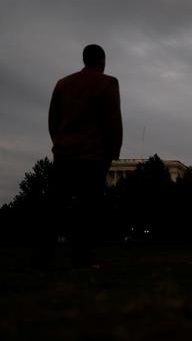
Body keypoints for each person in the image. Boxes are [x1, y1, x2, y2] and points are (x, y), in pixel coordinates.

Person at [47, 44, 122, 267]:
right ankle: (82, 257)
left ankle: (42, 256)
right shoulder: (107, 83)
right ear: (102, 60)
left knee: (55, 206)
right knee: (87, 209)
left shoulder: (63, 83)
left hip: (64, 153)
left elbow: (53, 120)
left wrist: (59, 143)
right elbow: (113, 121)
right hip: (92, 155)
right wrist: (113, 153)